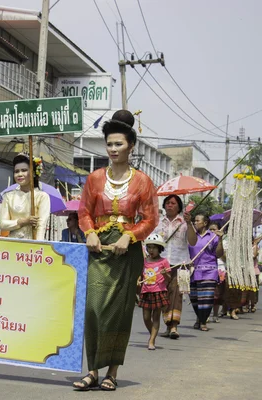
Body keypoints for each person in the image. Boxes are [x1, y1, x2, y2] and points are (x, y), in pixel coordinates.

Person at [74, 110, 158, 392]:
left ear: (131, 146)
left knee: (117, 313)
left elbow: (150, 220)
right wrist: (89, 233)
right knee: (94, 309)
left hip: (126, 253)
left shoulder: (143, 182)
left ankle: (111, 372)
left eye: (118, 144)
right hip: (98, 250)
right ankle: (92, 371)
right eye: (109, 144)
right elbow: (83, 212)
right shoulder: (94, 178)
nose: (113, 149)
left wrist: (130, 236)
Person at [155, 195, 190, 339]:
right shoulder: (157, 222)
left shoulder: (185, 223)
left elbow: (192, 242)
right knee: (163, 294)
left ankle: (174, 325)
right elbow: (150, 241)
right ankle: (167, 325)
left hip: (179, 263)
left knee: (176, 294)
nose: (170, 205)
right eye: (167, 203)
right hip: (161, 263)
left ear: (179, 207)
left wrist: (190, 224)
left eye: (173, 203)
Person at [185, 212, 223, 332]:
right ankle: (199, 318)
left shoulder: (213, 236)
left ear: (205, 223)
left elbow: (219, 254)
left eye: (197, 221)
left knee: (206, 298)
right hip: (193, 271)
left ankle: (203, 321)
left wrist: (220, 239)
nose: (195, 223)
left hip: (209, 271)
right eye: (194, 221)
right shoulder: (191, 235)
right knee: (195, 298)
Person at [0, 153, 50, 241]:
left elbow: (41, 226)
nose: (20, 174)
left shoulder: (42, 196)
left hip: (31, 246)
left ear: (33, 173)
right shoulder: (8, 196)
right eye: (16, 171)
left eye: (24, 170)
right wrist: (23, 221)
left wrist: (37, 247)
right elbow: (2, 224)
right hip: (12, 245)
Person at [139, 234, 171, 350]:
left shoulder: (164, 262)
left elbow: (169, 278)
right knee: (146, 317)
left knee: (156, 317)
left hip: (158, 291)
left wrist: (165, 274)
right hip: (146, 292)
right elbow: (140, 275)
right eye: (149, 247)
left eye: (154, 248)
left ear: (159, 249)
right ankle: (152, 332)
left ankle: (151, 340)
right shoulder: (144, 261)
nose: (151, 250)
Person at [209, 222, 226, 322]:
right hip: (206, 270)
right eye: (210, 229)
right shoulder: (203, 240)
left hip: (220, 270)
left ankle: (215, 314)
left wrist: (220, 241)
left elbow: (222, 256)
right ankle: (204, 315)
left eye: (214, 229)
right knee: (206, 295)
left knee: (217, 295)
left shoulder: (223, 241)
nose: (212, 232)